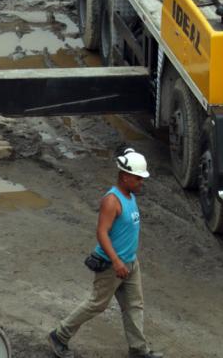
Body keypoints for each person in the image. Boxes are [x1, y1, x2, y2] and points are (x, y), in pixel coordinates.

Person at [49, 149, 162, 358]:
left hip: (129, 263)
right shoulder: (112, 200)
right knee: (96, 304)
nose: (141, 182)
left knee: (135, 306)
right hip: (112, 265)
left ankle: (138, 349)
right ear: (125, 176)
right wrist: (117, 261)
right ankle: (59, 335)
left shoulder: (130, 195)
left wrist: (127, 261)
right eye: (138, 178)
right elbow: (101, 233)